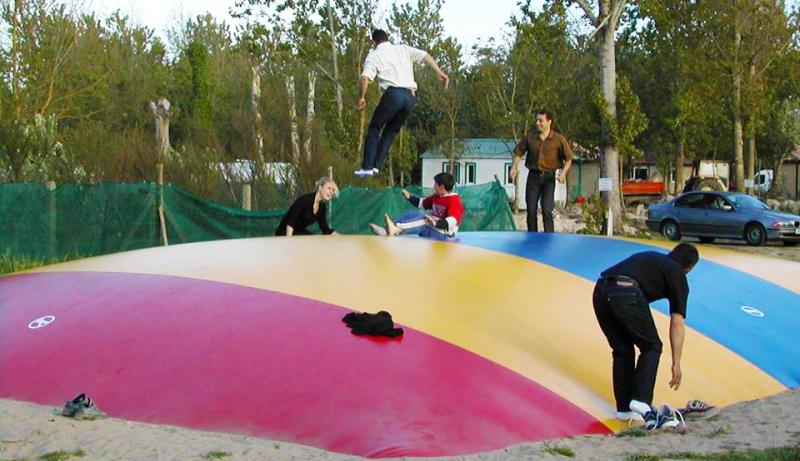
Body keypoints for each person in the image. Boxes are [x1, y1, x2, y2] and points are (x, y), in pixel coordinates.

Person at [592, 243, 699, 430]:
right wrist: (676, 363)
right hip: (626, 292)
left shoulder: (652, 257)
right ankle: (641, 400)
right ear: (689, 268)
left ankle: (624, 409)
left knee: (622, 350)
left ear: (672, 253)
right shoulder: (678, 275)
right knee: (652, 346)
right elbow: (677, 323)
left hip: (600, 290)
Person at [355, 29, 449, 177]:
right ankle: (376, 166)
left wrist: (362, 97)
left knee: (375, 128)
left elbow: (365, 78)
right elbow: (425, 55)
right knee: (391, 132)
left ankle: (367, 167)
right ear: (387, 38)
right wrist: (439, 72)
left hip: (394, 95)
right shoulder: (402, 49)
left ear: (374, 42)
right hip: (410, 98)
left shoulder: (374, 55)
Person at [509, 110, 573, 232]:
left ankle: (548, 239)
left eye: (541, 121)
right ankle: (532, 239)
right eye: (537, 120)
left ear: (549, 122)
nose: (537, 123)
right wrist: (514, 167)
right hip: (533, 177)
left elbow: (569, 159)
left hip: (549, 179)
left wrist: (563, 173)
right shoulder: (530, 138)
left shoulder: (558, 139)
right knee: (531, 210)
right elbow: (518, 153)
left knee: (547, 209)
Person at [369, 172, 464, 240]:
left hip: (444, 234)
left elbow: (452, 221)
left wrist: (435, 223)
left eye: (435, 184)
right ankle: (387, 230)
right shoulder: (437, 196)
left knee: (424, 220)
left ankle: (395, 229)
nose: (433, 186)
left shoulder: (454, 200)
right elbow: (422, 203)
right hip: (433, 227)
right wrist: (409, 197)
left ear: (441, 186)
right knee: (410, 214)